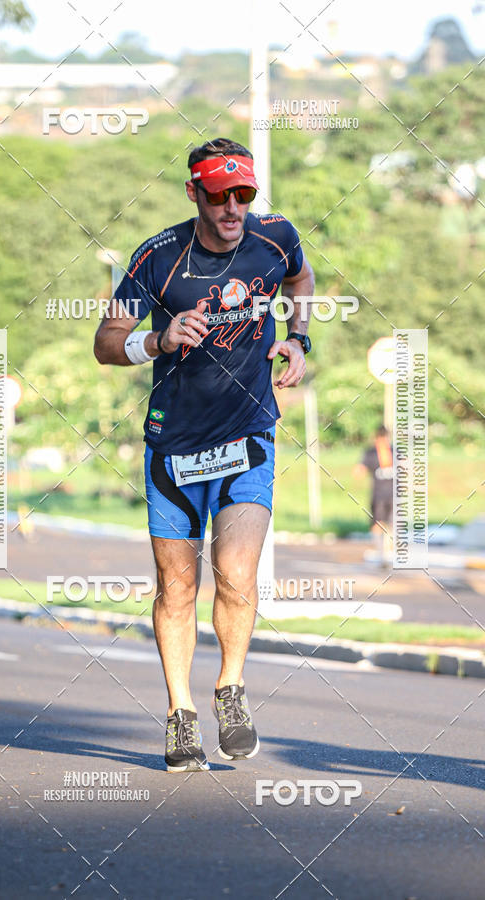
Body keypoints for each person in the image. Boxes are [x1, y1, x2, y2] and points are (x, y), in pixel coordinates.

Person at [94, 137, 314, 772]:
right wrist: (157, 339)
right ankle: (180, 713)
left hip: (248, 435)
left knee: (238, 573)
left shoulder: (276, 238)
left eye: (243, 194)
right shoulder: (158, 257)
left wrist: (299, 338)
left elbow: (300, 277)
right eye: (220, 196)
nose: (233, 208)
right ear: (195, 193)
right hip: (175, 448)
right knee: (178, 585)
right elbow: (107, 342)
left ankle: (230, 689)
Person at [354, 425, 394, 565]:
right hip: (378, 495)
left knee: (392, 523)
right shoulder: (371, 452)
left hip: (394, 494)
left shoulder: (395, 451)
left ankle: (388, 552)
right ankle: (379, 551)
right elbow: (360, 469)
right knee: (377, 523)